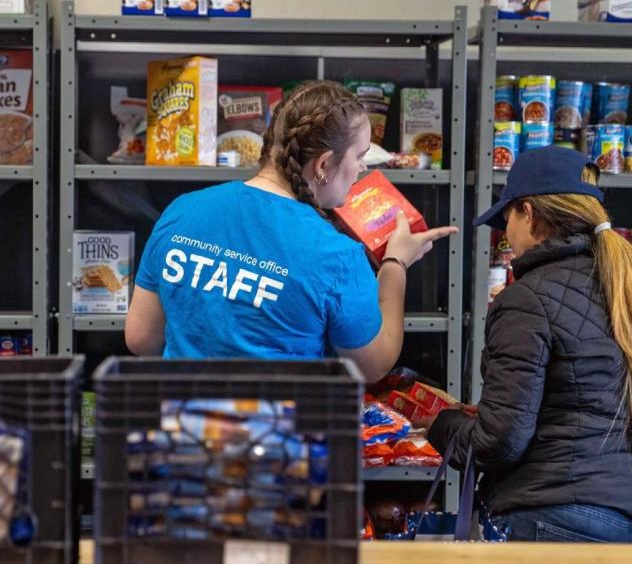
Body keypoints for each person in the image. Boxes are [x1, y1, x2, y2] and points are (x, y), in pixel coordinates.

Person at [125, 80, 457, 381]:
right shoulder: (336, 254)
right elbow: (372, 366)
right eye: (360, 155)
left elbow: (141, 337)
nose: (362, 167)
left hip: (179, 433)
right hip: (275, 439)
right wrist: (395, 265)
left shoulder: (182, 210)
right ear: (324, 165)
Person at [427, 146, 632, 543]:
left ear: (529, 213)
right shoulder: (624, 289)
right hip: (631, 518)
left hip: (551, 519)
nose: (507, 237)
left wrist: (442, 423)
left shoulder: (527, 299)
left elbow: (499, 443)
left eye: (507, 220)